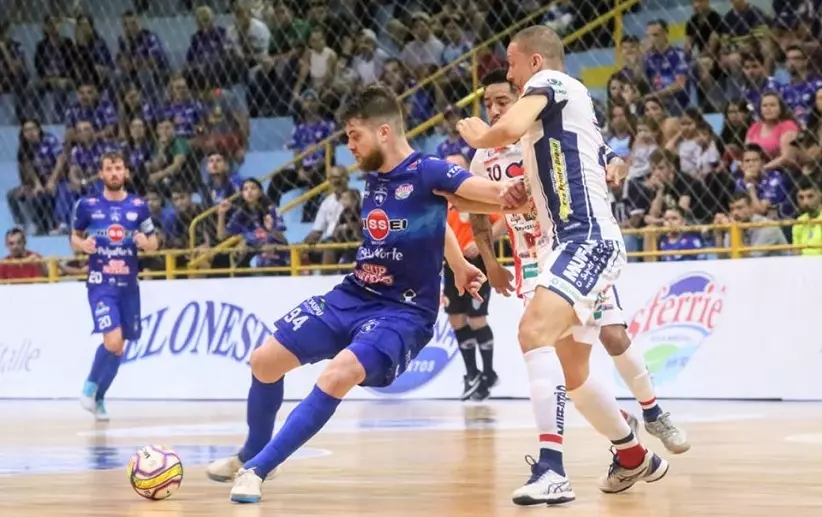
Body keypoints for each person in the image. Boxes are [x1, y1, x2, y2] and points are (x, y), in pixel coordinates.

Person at [205, 84, 521, 504]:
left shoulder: (430, 171)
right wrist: (459, 264)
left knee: (337, 374)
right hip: (354, 294)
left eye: (355, 135)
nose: (349, 146)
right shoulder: (376, 175)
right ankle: (253, 450)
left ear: (383, 132)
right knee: (264, 361)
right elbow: (435, 219)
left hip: (403, 313)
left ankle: (257, 470)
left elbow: (495, 196)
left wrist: (517, 187)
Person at [443, 68, 688, 505]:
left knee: (603, 335)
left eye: (503, 101)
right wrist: (490, 256)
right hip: (534, 262)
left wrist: (614, 160)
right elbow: (478, 206)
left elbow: (597, 152)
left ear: (521, 98)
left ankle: (637, 422)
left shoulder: (544, 129)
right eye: (489, 103)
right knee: (572, 372)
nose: (495, 109)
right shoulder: (486, 156)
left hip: (574, 248)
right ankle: (632, 454)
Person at [74, 151, 158, 421]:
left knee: (119, 347)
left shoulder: (138, 206)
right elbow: (74, 237)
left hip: (128, 286)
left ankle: (99, 398)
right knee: (112, 341)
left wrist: (146, 243)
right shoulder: (87, 205)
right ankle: (89, 387)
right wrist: (83, 244)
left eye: (118, 168)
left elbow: (154, 242)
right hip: (101, 285)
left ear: (126, 172)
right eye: (109, 169)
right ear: (101, 174)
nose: (114, 173)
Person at [443, 153, 507, 401]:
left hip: (477, 263)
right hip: (452, 265)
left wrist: (481, 243)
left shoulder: (475, 194)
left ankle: (489, 373)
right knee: (456, 318)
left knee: (477, 317)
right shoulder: (442, 201)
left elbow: (503, 220)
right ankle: (472, 374)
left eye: (455, 168)